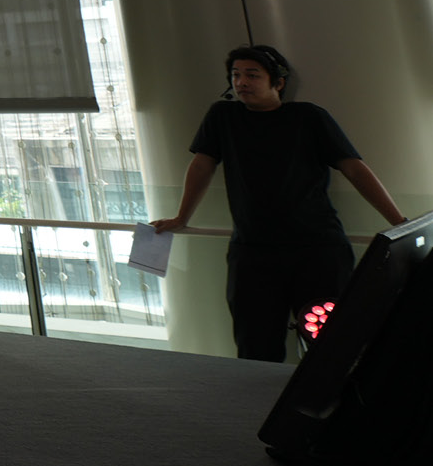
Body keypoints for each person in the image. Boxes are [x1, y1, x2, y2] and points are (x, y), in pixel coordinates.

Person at [152, 44, 409, 362]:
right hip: (253, 254)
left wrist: (399, 222)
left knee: (330, 343)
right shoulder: (223, 116)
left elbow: (354, 169)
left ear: (279, 82)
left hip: (318, 251)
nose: (241, 82)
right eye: (235, 75)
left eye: (252, 75)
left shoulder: (309, 117)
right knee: (255, 345)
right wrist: (181, 217)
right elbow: (202, 166)